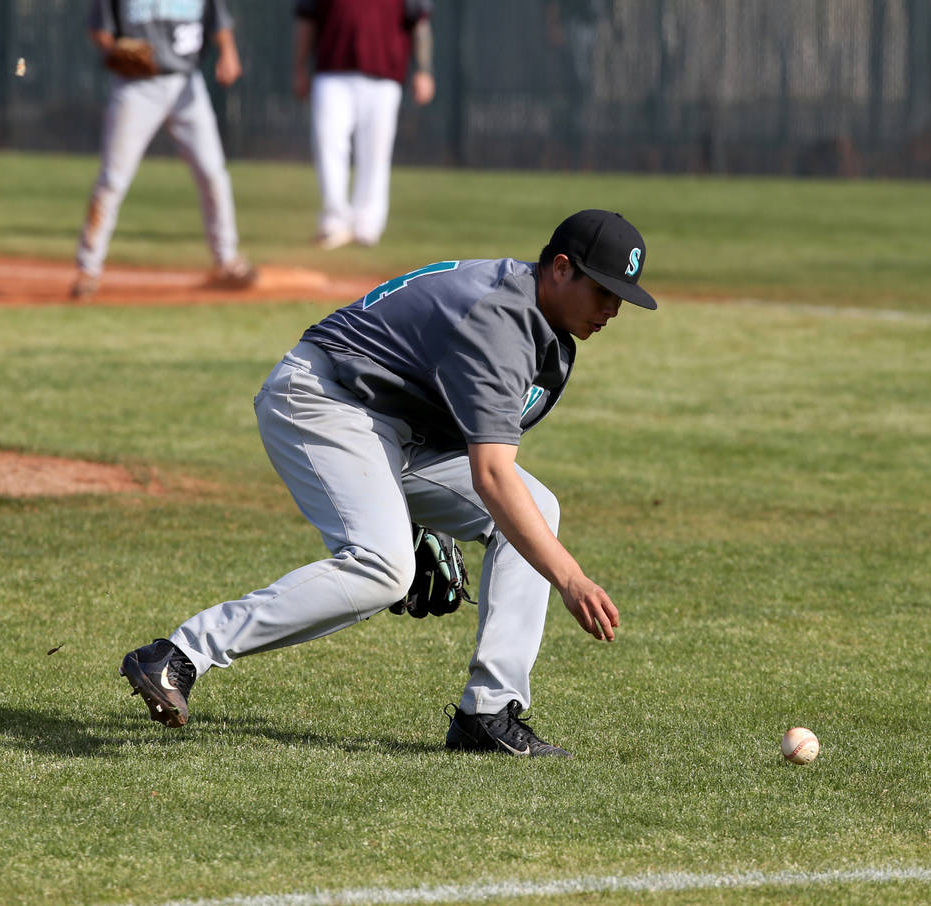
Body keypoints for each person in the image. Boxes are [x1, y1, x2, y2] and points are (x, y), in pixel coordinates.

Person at [120, 209, 657, 758]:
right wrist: (571, 578)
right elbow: (491, 474)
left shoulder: (538, 323)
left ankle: (488, 713)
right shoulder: (501, 318)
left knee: (536, 508)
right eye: (603, 291)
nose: (613, 309)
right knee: (384, 566)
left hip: (389, 428)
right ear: (562, 269)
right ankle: (179, 653)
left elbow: (452, 422)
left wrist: (422, 515)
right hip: (322, 399)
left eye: (622, 297)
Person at [70, 0, 257, 300]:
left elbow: (219, 22)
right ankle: (87, 269)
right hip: (136, 88)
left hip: (187, 84)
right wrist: (114, 50)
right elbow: (99, 30)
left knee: (213, 174)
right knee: (113, 180)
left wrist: (228, 51)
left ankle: (226, 260)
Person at [292, 0, 436, 250]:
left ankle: (367, 226)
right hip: (332, 71)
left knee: (375, 153)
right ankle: (334, 222)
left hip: (384, 73)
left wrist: (423, 69)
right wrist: (299, 67)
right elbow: (307, 19)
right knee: (328, 145)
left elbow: (419, 22)